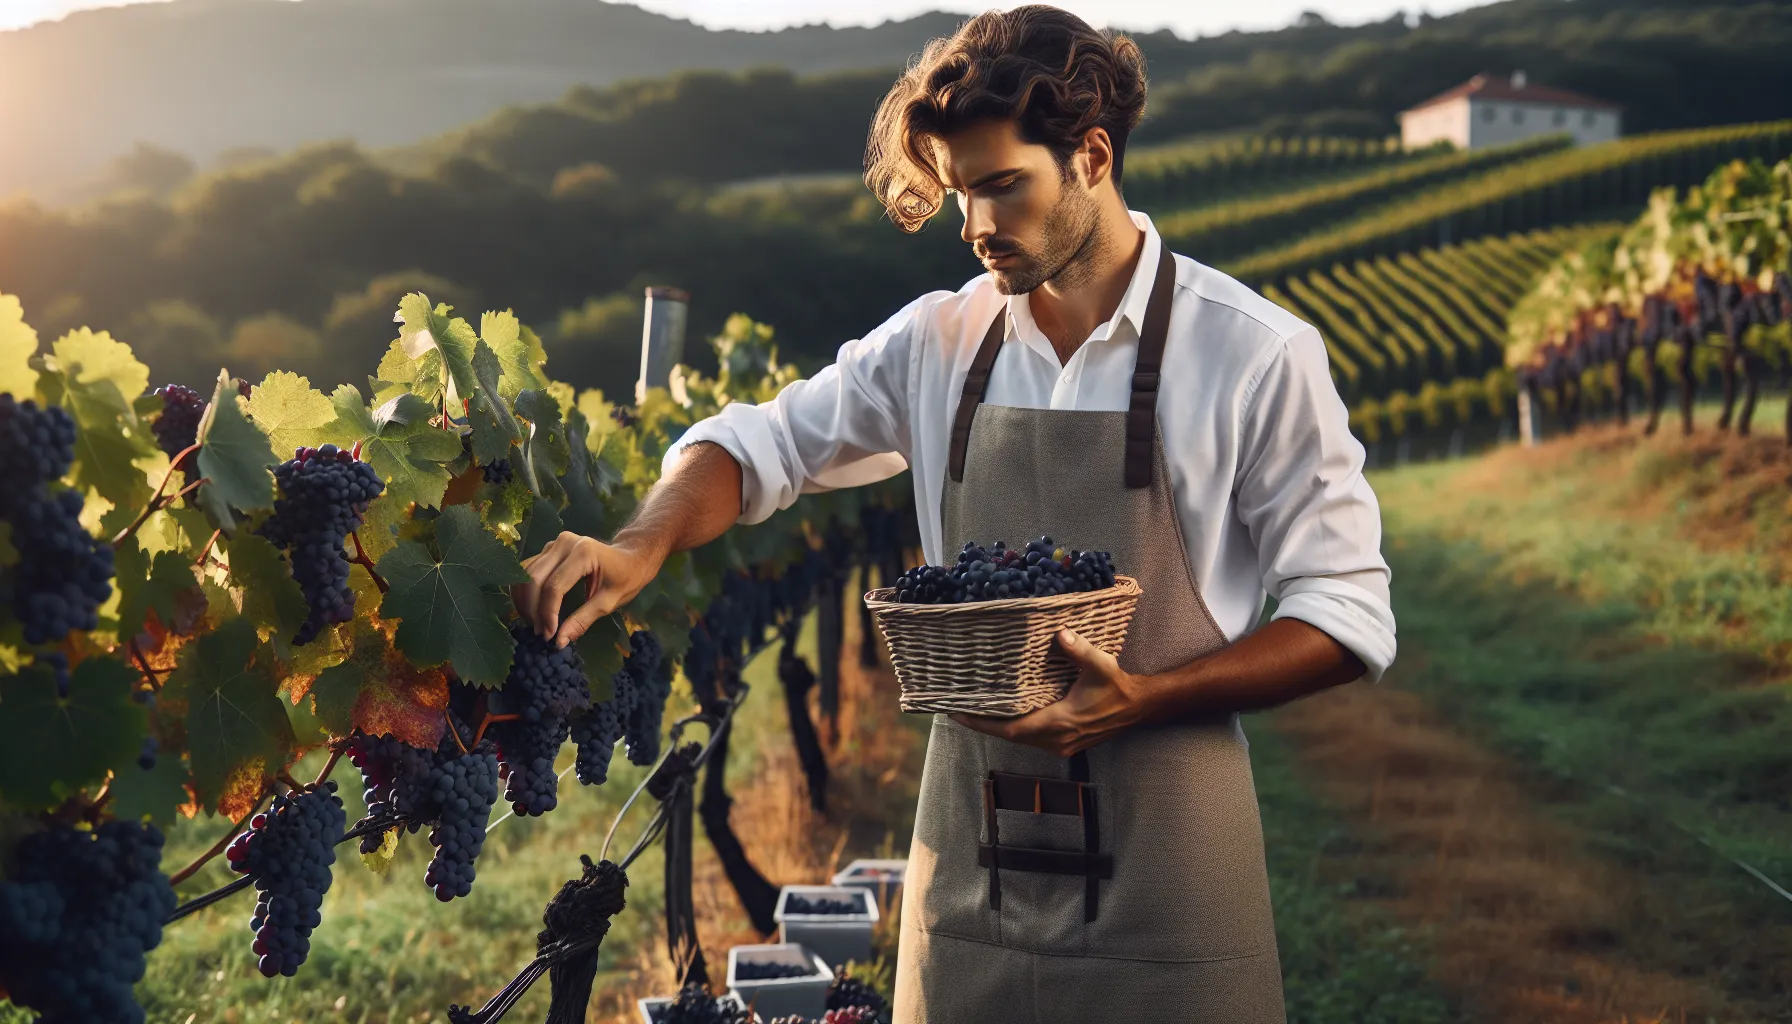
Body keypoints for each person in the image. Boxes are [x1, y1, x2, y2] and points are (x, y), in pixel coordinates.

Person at [510, 7, 1395, 1021]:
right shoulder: (938, 343)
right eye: (959, 193)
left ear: (1093, 156)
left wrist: (1144, 696)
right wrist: (637, 545)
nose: (974, 226)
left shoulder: (1252, 353)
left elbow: (1344, 612)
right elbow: (758, 444)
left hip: (1171, 865)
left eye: (1000, 185)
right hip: (973, 859)